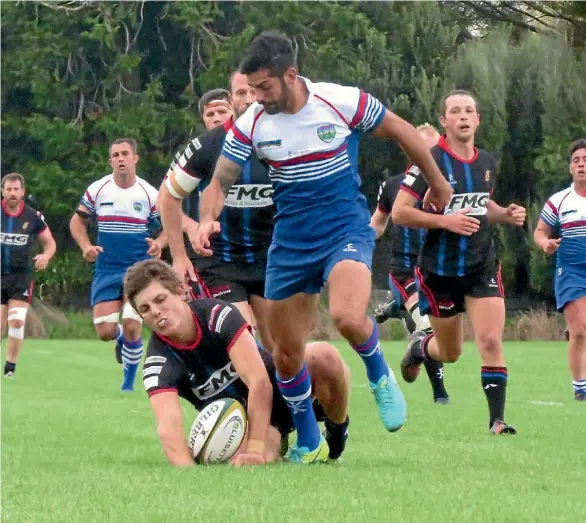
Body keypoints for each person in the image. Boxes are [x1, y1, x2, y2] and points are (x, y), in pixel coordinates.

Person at [190, 31, 453, 462]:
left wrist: (439, 184)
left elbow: (404, 130)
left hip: (343, 229)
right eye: (251, 88)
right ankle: (309, 439)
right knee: (288, 356)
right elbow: (219, 180)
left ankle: (378, 374)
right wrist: (205, 219)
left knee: (349, 316)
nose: (256, 96)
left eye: (264, 87)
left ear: (290, 74)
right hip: (290, 244)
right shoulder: (254, 122)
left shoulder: (339, 101)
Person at [124, 259, 350, 466]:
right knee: (258, 458)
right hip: (242, 421)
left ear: (181, 292)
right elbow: (168, 425)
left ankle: (336, 432)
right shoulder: (157, 362)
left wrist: (254, 449)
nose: (155, 311)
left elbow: (259, 381)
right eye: (145, 309)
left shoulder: (217, 315)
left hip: (281, 390)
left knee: (324, 356)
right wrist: (188, 470)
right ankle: (277, 440)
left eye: (160, 300)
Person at [393, 90, 526, 434]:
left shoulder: (488, 163)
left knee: (492, 341)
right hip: (440, 272)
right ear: (444, 121)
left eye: (469, 111)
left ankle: (497, 421)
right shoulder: (429, 161)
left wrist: (507, 215)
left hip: (482, 264)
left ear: (478, 119)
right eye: (456, 111)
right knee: (450, 353)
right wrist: (445, 222)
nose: (464, 116)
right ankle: (421, 349)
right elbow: (400, 213)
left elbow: (482, 207)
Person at [158, 71, 275, 352]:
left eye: (252, 92)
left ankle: (288, 395)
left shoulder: (282, 142)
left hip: (269, 259)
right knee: (243, 337)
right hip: (220, 262)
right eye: (241, 94)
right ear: (232, 99)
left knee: (281, 351)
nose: (248, 100)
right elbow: (165, 199)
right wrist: (179, 255)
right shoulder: (204, 147)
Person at [69, 138, 167, 392]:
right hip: (107, 268)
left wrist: (159, 243)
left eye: (125, 153)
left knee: (134, 323)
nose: (120, 158)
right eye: (115, 155)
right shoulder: (98, 189)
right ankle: (121, 339)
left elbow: (169, 227)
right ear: (111, 160)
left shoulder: (149, 193)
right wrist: (85, 247)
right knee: (105, 330)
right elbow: (76, 222)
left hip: (138, 269)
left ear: (135, 158)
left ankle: (128, 384)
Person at [370, 124, 449, 404]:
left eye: (435, 149)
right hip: (404, 271)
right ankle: (441, 395)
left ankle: (395, 307)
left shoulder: (447, 186)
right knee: (427, 327)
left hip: (435, 271)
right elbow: (377, 224)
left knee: (443, 337)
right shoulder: (393, 186)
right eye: (424, 148)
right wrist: (356, 243)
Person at [534, 138, 586, 402]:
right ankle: (581, 387)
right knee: (579, 329)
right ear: (570, 168)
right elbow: (540, 231)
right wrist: (546, 245)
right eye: (576, 161)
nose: (581, 165)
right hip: (572, 270)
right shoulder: (560, 200)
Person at [1, 172, 56, 377]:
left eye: (16, 189)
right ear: (3, 191)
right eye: (9, 189)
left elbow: (50, 242)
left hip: (20, 277)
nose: (13, 193)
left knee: (16, 320)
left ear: (23, 192)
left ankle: (10, 370)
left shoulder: (33, 217)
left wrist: (46, 256)